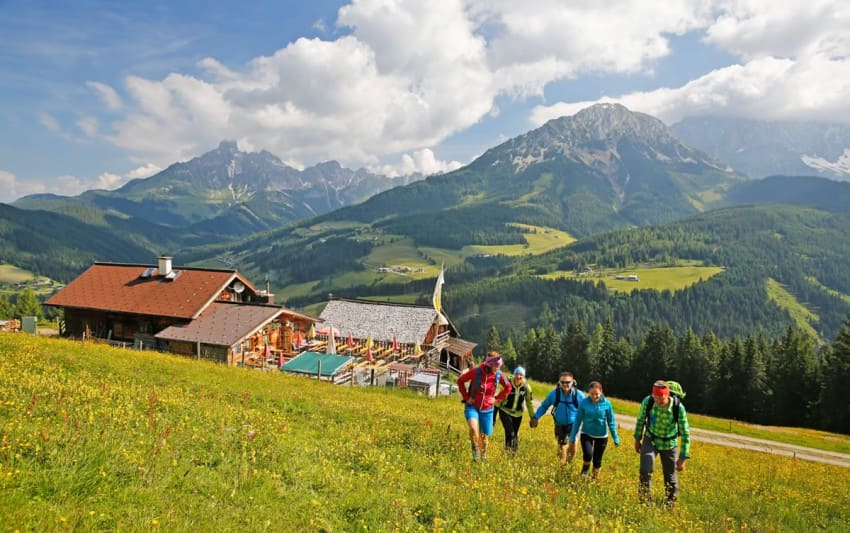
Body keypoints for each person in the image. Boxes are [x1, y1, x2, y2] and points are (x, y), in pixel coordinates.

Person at [633, 380, 691, 508]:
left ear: (668, 395)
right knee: (645, 470)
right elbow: (641, 420)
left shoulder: (678, 408)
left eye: (661, 398)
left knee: (670, 476)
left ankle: (670, 504)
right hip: (650, 439)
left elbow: (686, 434)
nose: (658, 401)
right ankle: (644, 502)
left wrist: (682, 457)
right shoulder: (648, 402)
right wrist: (637, 439)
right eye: (656, 397)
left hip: (669, 444)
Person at [457, 352, 512, 462]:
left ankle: (483, 456)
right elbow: (460, 381)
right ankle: (475, 452)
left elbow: (508, 387)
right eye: (496, 366)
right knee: (473, 428)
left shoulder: (499, 375)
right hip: (472, 406)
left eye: (499, 366)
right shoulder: (476, 372)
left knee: (484, 437)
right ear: (489, 364)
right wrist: (466, 397)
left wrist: (496, 399)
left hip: (487, 409)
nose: (498, 368)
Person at [568, 381, 620, 479]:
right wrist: (572, 436)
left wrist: (615, 437)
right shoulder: (584, 403)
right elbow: (577, 420)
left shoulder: (607, 404)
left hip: (601, 436)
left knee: (597, 459)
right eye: (592, 394)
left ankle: (595, 479)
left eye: (596, 394)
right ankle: (584, 473)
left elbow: (611, 421)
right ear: (589, 392)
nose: (594, 396)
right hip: (586, 433)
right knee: (588, 454)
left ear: (601, 392)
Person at [530, 371, 585, 464]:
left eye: (567, 382)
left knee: (573, 445)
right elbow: (544, 406)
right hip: (560, 424)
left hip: (574, 424)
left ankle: (568, 463)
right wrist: (535, 417)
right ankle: (561, 466)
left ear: (572, 382)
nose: (565, 384)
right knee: (562, 447)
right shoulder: (554, 394)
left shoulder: (579, 395)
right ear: (559, 382)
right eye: (562, 382)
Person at [495, 366, 535, 454]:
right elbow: (499, 398)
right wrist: (494, 415)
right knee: (511, 432)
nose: (518, 377)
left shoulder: (526, 387)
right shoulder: (507, 383)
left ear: (523, 377)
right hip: (505, 411)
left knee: (512, 434)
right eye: (517, 374)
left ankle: (509, 452)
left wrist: (533, 417)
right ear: (514, 374)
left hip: (518, 414)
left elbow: (529, 403)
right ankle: (514, 452)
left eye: (521, 375)